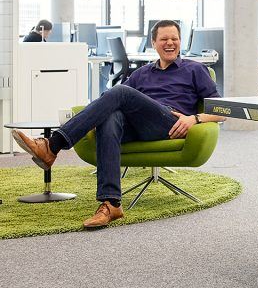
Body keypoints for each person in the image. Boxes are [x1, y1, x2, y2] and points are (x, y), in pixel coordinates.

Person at [11, 20, 224, 228]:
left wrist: (193, 118)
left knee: (121, 91)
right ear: (153, 43)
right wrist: (96, 116)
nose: (170, 43)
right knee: (110, 117)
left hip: (169, 123)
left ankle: (53, 145)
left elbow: (221, 111)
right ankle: (111, 204)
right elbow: (111, 98)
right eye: (164, 39)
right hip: (139, 126)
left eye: (175, 39)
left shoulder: (194, 69)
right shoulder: (142, 73)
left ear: (180, 42)